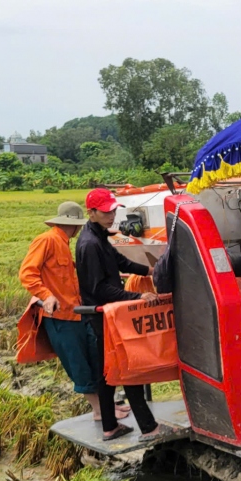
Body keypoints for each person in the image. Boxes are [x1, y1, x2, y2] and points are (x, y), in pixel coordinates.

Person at [18, 201, 129, 423]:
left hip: (77, 313)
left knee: (94, 359)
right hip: (59, 318)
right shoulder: (47, 240)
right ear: (77, 225)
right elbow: (27, 273)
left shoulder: (64, 243)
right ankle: (99, 411)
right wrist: (46, 295)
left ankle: (106, 405)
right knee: (79, 364)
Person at [76, 188, 161, 441]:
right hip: (103, 315)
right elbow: (99, 288)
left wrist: (151, 271)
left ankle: (110, 427)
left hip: (107, 314)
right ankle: (148, 427)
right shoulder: (90, 244)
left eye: (112, 210)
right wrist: (138, 297)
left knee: (109, 370)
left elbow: (120, 262)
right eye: (105, 212)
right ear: (91, 213)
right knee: (126, 366)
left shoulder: (98, 236)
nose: (111, 215)